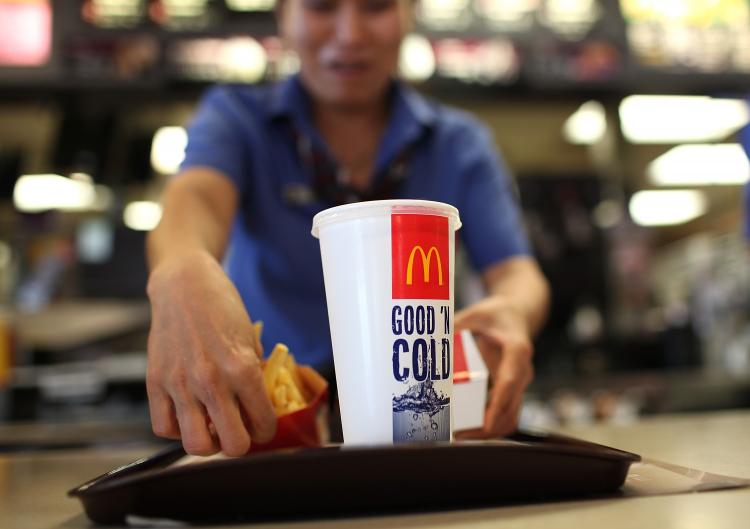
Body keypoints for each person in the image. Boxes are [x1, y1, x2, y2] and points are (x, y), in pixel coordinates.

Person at [146, 0, 550, 456]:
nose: (351, 33)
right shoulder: (238, 119)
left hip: (419, 429)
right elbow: (194, 200)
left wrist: (513, 311)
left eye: (376, 6)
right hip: (274, 434)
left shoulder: (458, 142)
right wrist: (180, 270)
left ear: (409, 15)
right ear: (284, 16)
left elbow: (518, 273)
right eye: (321, 7)